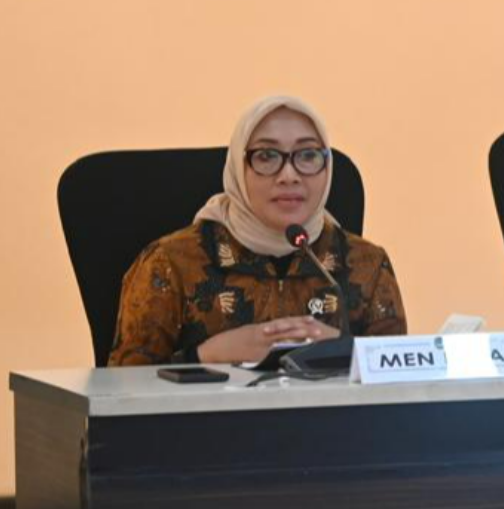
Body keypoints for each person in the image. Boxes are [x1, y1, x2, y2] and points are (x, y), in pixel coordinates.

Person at [107, 96, 406, 366]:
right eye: (266, 156)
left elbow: (400, 383)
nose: (289, 175)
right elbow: (121, 390)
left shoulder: (366, 264)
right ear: (239, 167)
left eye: (307, 155)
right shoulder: (171, 263)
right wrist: (203, 356)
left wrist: (345, 349)